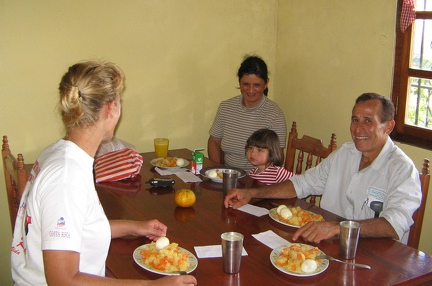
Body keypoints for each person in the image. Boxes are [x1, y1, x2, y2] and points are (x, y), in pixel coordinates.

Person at [11, 61, 197, 285]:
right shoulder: (66, 178)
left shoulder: (60, 152)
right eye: (119, 101)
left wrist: (135, 226)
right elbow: (62, 280)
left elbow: (79, 227)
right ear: (111, 108)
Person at [224, 93, 422, 245]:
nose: (358, 129)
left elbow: (394, 224)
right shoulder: (345, 153)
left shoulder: (402, 169)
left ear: (388, 127)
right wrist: (252, 193)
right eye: (355, 120)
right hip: (328, 244)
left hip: (375, 256)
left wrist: (339, 228)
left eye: (368, 121)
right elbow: (302, 183)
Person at [208, 55, 287, 171]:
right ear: (239, 82)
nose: (250, 90)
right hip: (228, 175)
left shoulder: (274, 114)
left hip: (258, 179)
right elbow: (214, 141)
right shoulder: (226, 107)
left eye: (256, 85)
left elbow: (277, 157)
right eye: (246, 84)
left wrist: (258, 179)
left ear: (266, 84)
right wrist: (217, 170)